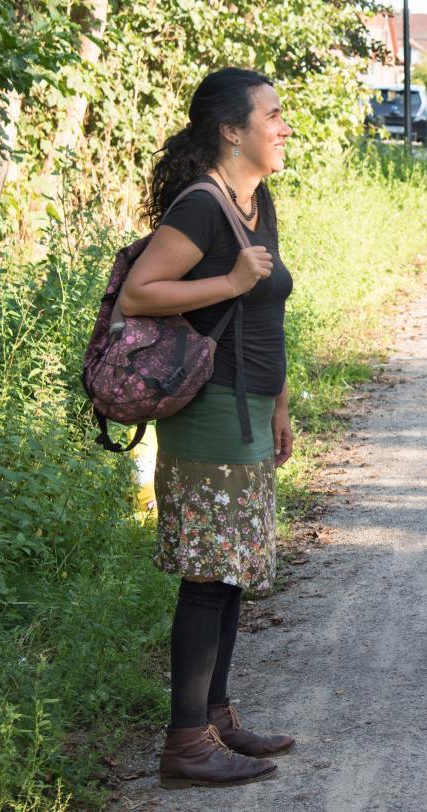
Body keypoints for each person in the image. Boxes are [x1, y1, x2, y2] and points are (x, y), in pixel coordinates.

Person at [121, 67, 298, 789]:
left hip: (250, 404)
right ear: (232, 130)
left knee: (229, 571)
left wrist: (280, 402)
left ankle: (216, 717)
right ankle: (185, 741)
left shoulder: (256, 200)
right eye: (273, 115)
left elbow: (268, 312)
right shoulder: (201, 207)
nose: (284, 127)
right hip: (207, 412)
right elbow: (141, 291)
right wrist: (228, 281)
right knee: (207, 573)